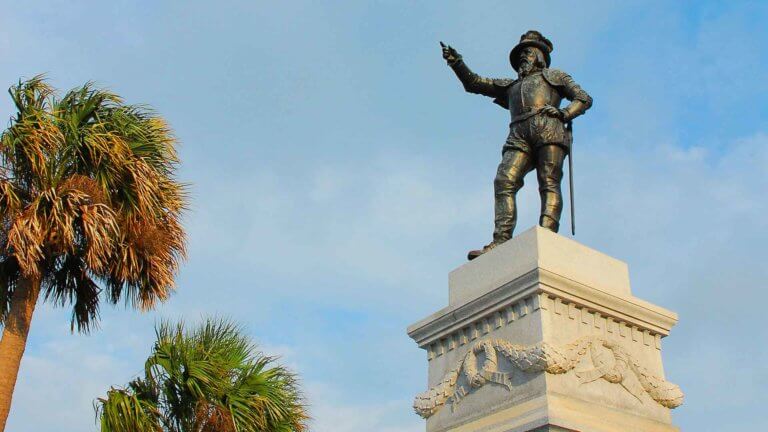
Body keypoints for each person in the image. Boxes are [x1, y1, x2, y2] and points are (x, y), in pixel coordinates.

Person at [441, 30, 593, 260]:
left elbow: (583, 98)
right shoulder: (511, 85)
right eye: (521, 53)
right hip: (518, 133)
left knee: (549, 182)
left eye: (528, 52)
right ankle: (501, 240)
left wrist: (564, 113)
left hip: (548, 127)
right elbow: (474, 83)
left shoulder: (556, 76)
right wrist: (457, 63)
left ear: (540, 56)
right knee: (504, 180)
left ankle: (547, 234)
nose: (524, 56)